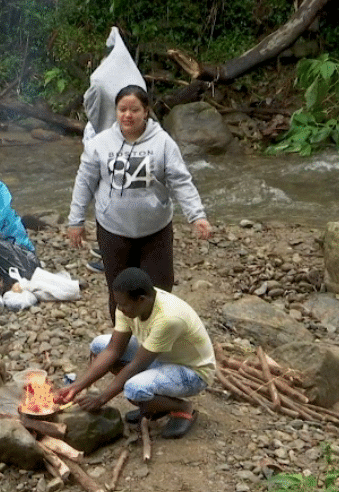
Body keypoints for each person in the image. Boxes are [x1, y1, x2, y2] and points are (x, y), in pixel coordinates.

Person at [67, 84, 212, 322]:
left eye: (134, 109)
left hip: (155, 230)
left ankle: (155, 340)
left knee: (159, 291)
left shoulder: (163, 143)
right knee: (121, 291)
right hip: (113, 228)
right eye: (122, 109)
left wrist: (197, 216)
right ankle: (122, 344)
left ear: (146, 111)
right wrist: (76, 220)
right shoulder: (100, 144)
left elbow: (180, 181)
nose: (127, 115)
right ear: (115, 112)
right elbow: (84, 183)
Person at [54, 267, 216, 439]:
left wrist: (101, 399)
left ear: (141, 300)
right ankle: (154, 405)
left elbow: (137, 365)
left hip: (192, 372)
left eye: (124, 306)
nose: (120, 309)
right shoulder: (128, 304)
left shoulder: (168, 318)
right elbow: (113, 350)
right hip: (160, 356)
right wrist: (77, 386)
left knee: (134, 390)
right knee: (99, 345)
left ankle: (182, 408)